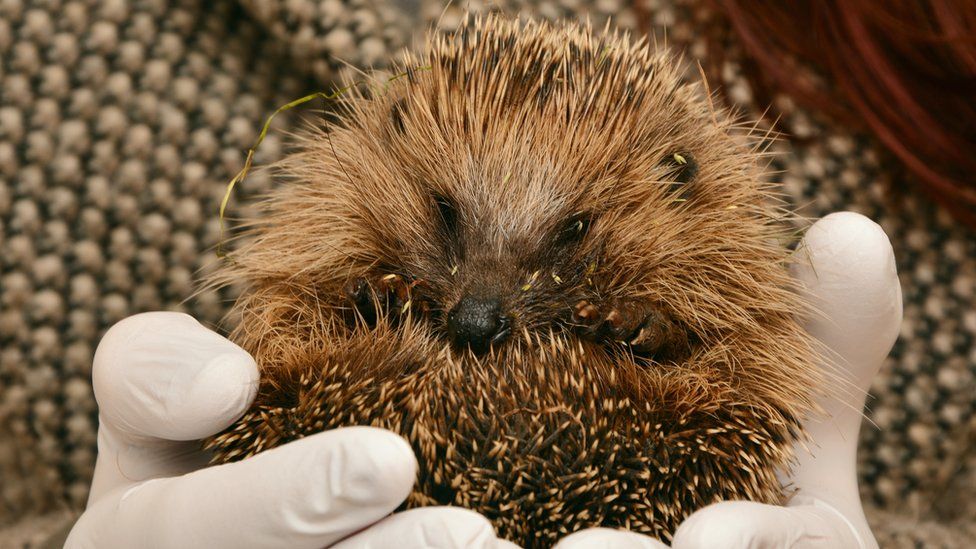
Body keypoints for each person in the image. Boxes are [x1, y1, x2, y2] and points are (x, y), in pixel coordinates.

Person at [64, 212, 901, 548]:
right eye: (450, 223)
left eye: (568, 236)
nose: (479, 310)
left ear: (678, 179)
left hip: (645, 450)